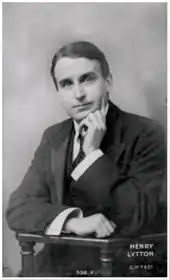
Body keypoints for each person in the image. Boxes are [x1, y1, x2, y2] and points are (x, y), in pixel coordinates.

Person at [6, 41, 165, 276]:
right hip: (57, 268)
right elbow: (18, 207)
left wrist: (91, 154)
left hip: (123, 268)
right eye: (67, 84)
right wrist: (73, 221)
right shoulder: (54, 137)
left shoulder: (146, 133)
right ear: (58, 91)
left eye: (87, 79)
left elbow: (136, 216)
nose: (78, 94)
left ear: (108, 81)